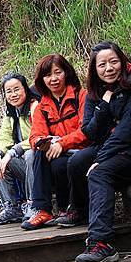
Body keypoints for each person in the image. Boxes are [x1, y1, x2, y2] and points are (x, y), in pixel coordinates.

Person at [74, 41, 131, 262]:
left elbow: (126, 131)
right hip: (109, 148)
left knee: (99, 174)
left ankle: (102, 244)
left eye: (113, 62)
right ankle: (82, 214)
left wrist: (100, 160)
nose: (109, 68)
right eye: (102, 64)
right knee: (75, 162)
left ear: (122, 61)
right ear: (94, 69)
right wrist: (103, 105)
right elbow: (89, 131)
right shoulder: (95, 92)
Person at [21, 54, 91, 230]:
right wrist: (40, 142)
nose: (53, 79)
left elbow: (87, 130)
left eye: (57, 73)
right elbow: (35, 134)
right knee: (41, 153)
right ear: (41, 80)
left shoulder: (81, 96)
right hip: (59, 154)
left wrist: (62, 143)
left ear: (66, 73)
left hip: (82, 151)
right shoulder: (42, 106)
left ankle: (58, 209)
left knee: (62, 164)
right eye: (47, 75)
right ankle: (43, 209)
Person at [0, 73, 40, 225]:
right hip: (26, 168)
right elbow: (2, 139)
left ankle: (33, 205)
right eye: (8, 91)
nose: (13, 94)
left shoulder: (34, 107)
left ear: (25, 89)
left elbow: (37, 137)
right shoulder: (10, 113)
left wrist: (12, 152)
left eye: (17, 89)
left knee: (31, 153)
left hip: (42, 166)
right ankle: (12, 207)